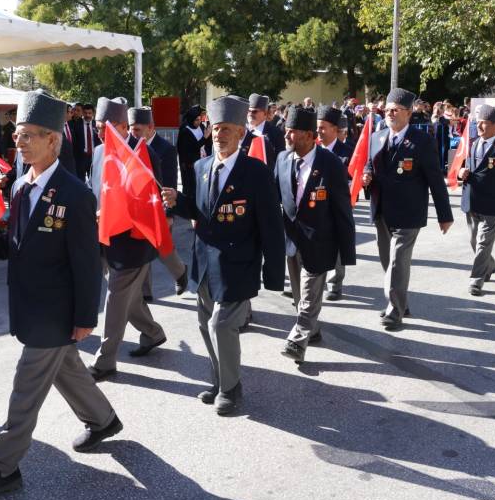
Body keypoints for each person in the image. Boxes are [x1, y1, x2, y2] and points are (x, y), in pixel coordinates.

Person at [0, 89, 122, 499]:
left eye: (31, 134)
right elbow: (18, 245)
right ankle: (103, 420)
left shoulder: (76, 195)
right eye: (18, 133)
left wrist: (87, 316)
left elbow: (87, 265)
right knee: (67, 369)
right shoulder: (20, 188)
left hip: (57, 310)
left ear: (54, 140)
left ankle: (3, 467)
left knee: (26, 388)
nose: (21, 141)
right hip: (29, 304)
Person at [172, 95, 284, 415]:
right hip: (206, 261)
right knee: (204, 323)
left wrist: (273, 273)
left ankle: (232, 389)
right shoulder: (202, 165)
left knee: (221, 326)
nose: (219, 135)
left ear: (240, 133)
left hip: (239, 263)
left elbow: (271, 227)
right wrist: (176, 200)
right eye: (215, 128)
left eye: (226, 130)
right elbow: (199, 210)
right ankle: (220, 380)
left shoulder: (255, 171)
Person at [86, 99, 169, 381]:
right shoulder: (98, 152)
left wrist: (114, 211)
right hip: (105, 238)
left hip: (133, 242)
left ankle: (105, 360)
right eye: (96, 128)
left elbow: (150, 203)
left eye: (104, 128)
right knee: (127, 299)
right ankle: (153, 333)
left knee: (116, 299)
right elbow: (94, 188)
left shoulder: (142, 155)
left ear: (123, 127)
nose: (99, 133)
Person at [362, 87, 454, 331]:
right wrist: (366, 175)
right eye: (387, 110)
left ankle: (394, 312)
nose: (390, 114)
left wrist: (445, 215)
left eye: (395, 110)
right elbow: (368, 166)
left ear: (409, 113)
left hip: (408, 212)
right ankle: (401, 302)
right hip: (382, 209)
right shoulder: (377, 137)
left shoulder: (422, 141)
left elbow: (435, 179)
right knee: (387, 261)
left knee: (397, 261)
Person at [274, 107, 356, 363]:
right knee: (300, 296)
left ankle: (298, 340)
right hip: (291, 241)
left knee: (309, 294)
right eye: (286, 130)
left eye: (293, 131)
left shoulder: (330, 164)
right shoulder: (282, 159)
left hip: (320, 241)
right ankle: (313, 330)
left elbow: (343, 210)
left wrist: (347, 250)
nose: (287, 136)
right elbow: (274, 196)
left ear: (309, 135)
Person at [457, 105, 495, 296]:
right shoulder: (473, 143)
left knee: (483, 243)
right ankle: (490, 265)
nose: (479, 126)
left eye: (483, 123)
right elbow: (466, 166)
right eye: (478, 123)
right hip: (472, 200)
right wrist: (461, 173)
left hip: (493, 203)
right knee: (474, 241)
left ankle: (476, 280)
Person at [129, 107, 189, 299]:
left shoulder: (166, 149)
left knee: (163, 250)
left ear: (151, 127)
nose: (132, 133)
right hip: (138, 207)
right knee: (141, 250)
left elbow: (169, 182)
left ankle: (180, 272)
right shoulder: (130, 146)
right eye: (130, 128)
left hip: (159, 207)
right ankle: (145, 293)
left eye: (137, 129)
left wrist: (169, 213)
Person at [316, 105, 353, 301]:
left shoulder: (347, 152)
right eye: (317, 128)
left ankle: (335, 283)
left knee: (337, 245)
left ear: (334, 129)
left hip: (337, 207)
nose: (319, 132)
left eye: (323, 128)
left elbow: (353, 179)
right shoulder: (311, 149)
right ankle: (313, 280)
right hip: (314, 205)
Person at [242, 93, 285, 170]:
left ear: (265, 114)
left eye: (254, 111)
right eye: (249, 111)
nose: (250, 114)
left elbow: (280, 160)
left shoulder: (275, 133)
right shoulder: (242, 130)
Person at [71, 102, 99, 180]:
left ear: (93, 113)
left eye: (90, 113)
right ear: (83, 113)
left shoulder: (97, 125)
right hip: (81, 158)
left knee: (94, 180)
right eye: (86, 113)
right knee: (80, 181)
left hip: (94, 157)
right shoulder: (76, 125)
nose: (87, 115)